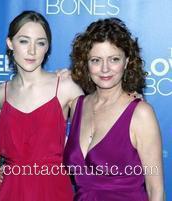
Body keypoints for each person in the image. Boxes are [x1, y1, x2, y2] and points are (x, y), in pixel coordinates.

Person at [64, 18, 164, 201]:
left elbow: (156, 191)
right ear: (86, 63)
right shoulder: (76, 105)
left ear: (126, 62)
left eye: (114, 59)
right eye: (96, 60)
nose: (105, 69)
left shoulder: (140, 114)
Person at [0, 11, 83, 201]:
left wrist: (131, 98)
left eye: (40, 43)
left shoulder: (66, 87)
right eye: (24, 41)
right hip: (10, 190)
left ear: (47, 48)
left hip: (53, 190)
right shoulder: (0, 93)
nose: (32, 51)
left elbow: (101, 126)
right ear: (10, 43)